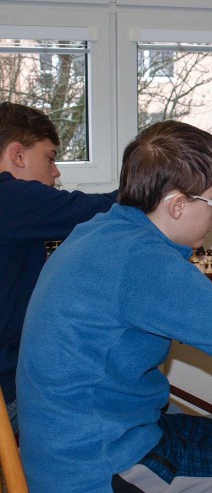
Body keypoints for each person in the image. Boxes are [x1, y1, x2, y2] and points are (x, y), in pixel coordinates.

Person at [16, 121, 212, 492]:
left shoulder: (101, 230)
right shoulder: (142, 260)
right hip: (98, 466)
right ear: (178, 205)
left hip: (88, 437)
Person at [0, 101, 116, 433]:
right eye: (50, 158)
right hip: (9, 394)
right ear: (18, 155)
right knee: (120, 400)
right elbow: (100, 209)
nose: (56, 172)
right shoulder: (9, 198)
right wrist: (157, 188)